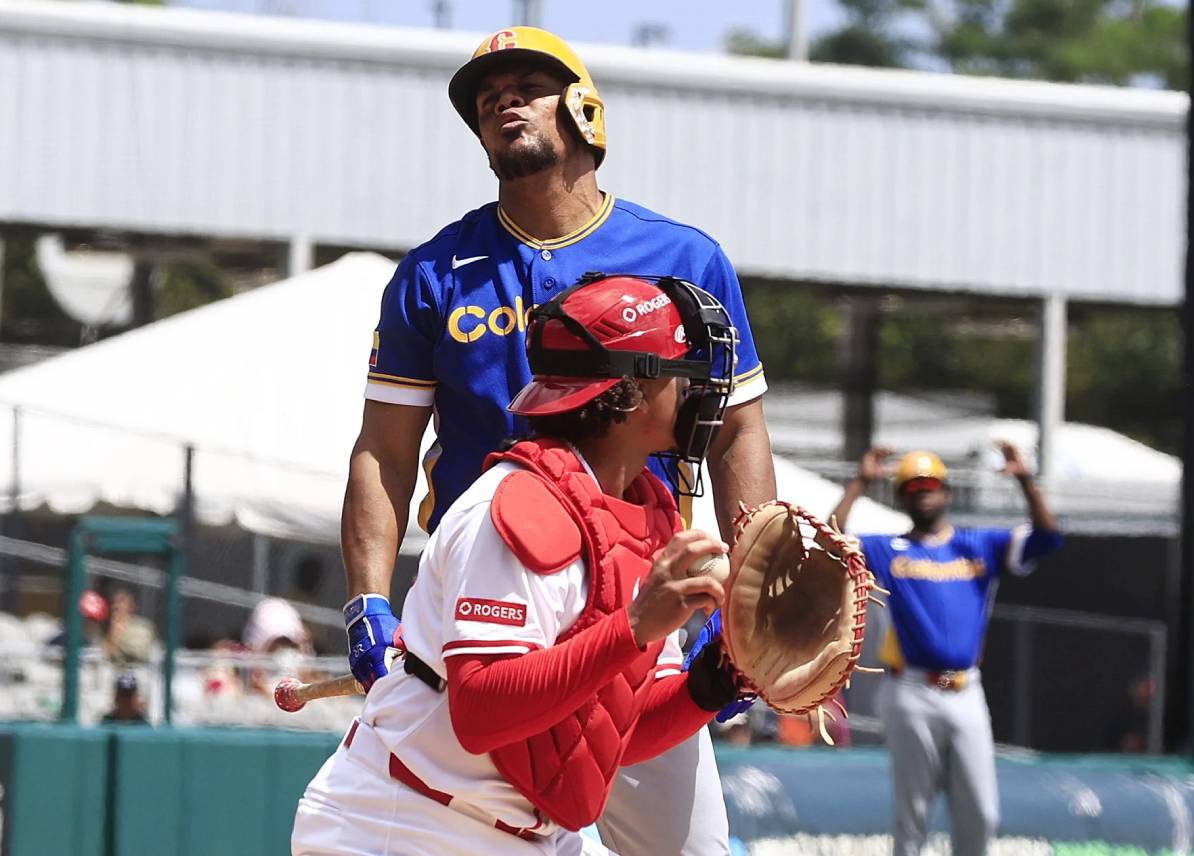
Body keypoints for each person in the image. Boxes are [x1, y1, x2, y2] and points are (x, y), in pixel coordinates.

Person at [341, 26, 776, 855]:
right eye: (484, 95)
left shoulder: (682, 257)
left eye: (528, 83)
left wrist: (753, 589)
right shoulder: (436, 271)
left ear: (584, 108)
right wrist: (366, 598)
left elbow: (737, 433)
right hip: (489, 604)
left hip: (637, 584)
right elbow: (384, 453)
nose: (501, 98)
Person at [295, 274, 744, 855]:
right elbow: (482, 710)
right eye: (682, 372)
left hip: (524, 834)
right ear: (631, 392)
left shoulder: (643, 515)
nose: (698, 389)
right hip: (404, 823)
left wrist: (715, 682)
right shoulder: (518, 508)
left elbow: (609, 732)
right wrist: (634, 627)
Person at [830, 444, 1064, 856]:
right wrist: (861, 481)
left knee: (981, 811)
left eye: (931, 485)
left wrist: (1026, 480)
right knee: (913, 814)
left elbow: (1047, 537)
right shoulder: (889, 549)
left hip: (966, 690)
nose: (923, 493)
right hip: (912, 690)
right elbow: (831, 541)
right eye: (914, 487)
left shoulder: (979, 545)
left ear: (948, 492)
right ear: (901, 496)